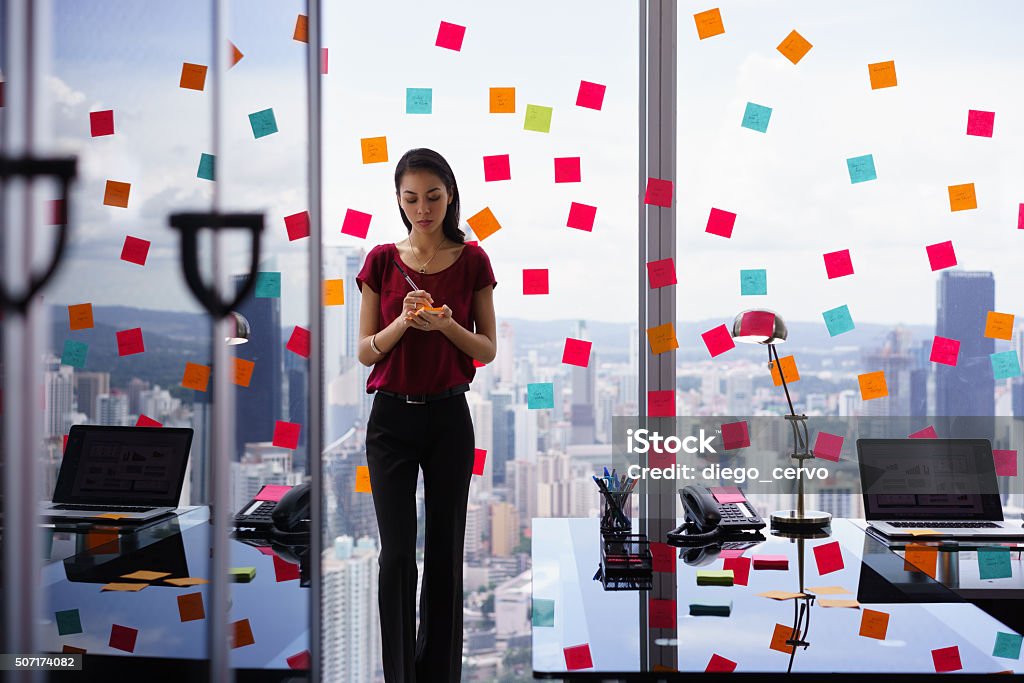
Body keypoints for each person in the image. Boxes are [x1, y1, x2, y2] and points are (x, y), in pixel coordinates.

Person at [356, 148, 497, 682]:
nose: (423, 208)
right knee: (396, 558)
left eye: (433, 197)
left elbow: (484, 349)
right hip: (390, 422)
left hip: (448, 420)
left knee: (444, 552)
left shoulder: (475, 260)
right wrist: (404, 322)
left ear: (451, 196)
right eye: (411, 198)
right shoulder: (380, 260)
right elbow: (368, 350)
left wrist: (445, 326)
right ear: (398, 200)